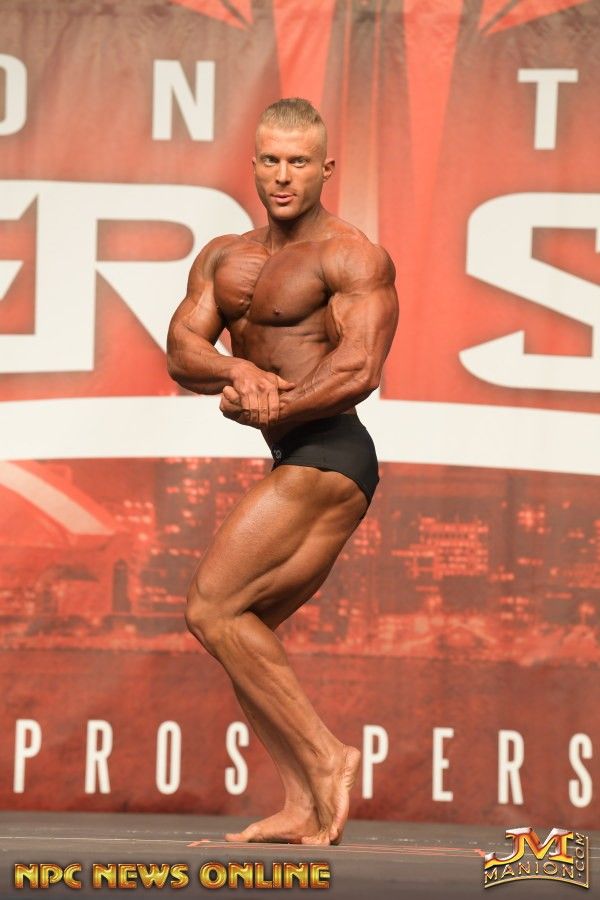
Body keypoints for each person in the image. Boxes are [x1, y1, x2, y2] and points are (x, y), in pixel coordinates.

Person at [166, 98, 398, 846]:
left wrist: (278, 404)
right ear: (255, 165)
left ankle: (329, 758)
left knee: (212, 608)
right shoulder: (223, 256)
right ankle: (302, 801)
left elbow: (359, 368)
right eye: (270, 160)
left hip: (332, 453)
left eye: (299, 161)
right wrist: (237, 369)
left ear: (326, 169)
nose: (283, 175)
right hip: (295, 452)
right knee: (244, 631)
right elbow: (182, 350)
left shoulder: (352, 255)